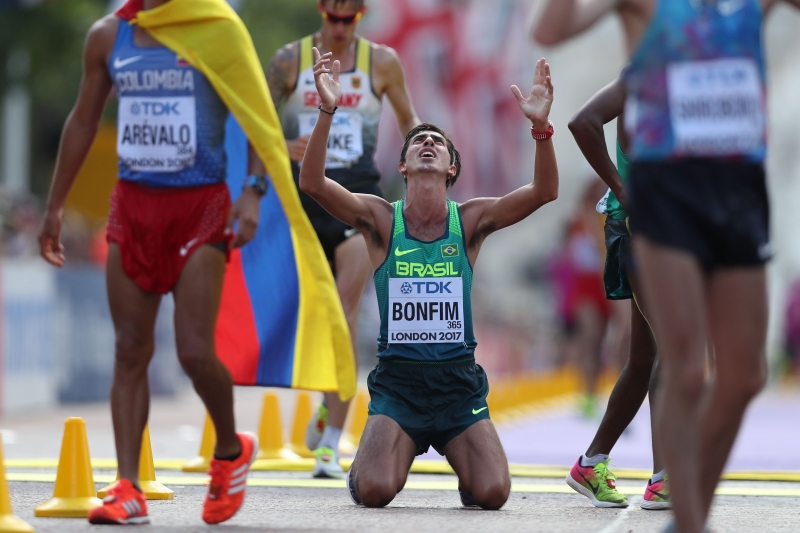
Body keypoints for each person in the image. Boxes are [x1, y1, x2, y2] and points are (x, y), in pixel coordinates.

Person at [533, 0, 800, 531]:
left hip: (737, 190)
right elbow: (550, 30)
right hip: (663, 196)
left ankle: (634, 475)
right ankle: (684, 510)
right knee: (682, 364)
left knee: (744, 373)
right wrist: (620, 187)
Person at [37, 0, 269, 524]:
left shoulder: (215, 28)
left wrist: (253, 191)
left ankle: (231, 449)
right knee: (128, 349)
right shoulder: (107, 36)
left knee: (193, 352)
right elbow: (82, 119)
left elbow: (256, 113)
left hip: (200, 209)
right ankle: (128, 486)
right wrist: (54, 206)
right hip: (133, 208)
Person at [300, 47, 558, 509]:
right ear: (402, 165)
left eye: (437, 142)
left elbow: (544, 192)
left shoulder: (472, 220)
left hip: (458, 388)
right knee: (375, 491)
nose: (426, 144)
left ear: (451, 167)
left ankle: (467, 467)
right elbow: (314, 184)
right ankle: (374, 460)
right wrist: (326, 111)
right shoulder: (381, 220)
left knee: (493, 494)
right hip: (399, 387)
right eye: (418, 141)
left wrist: (540, 128)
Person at [266, 0, 420, 478]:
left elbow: (408, 119)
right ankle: (326, 399)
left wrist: (427, 153)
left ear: (361, 15)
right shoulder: (289, 60)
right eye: (331, 17)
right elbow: (257, 124)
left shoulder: (383, 63)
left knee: (343, 309)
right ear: (320, 11)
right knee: (308, 313)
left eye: (347, 19)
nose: (337, 27)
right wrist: (280, 143)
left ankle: (332, 440)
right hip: (304, 198)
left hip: (358, 199)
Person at [566, 74, 665, 510]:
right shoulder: (642, 75)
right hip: (639, 227)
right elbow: (583, 121)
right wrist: (623, 189)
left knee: (645, 357)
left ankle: (592, 463)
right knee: (672, 351)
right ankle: (664, 479)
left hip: (669, 228)